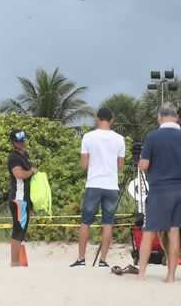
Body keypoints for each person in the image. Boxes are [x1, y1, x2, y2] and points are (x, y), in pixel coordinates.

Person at [137, 103, 181, 282]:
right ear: (176, 117)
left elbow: (145, 165)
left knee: (149, 232)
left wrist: (140, 162)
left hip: (159, 191)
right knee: (174, 232)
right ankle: (171, 276)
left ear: (159, 117)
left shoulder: (153, 136)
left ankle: (141, 274)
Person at [71, 107, 125, 268]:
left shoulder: (88, 137)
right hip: (111, 185)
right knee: (108, 222)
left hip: (94, 184)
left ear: (97, 118)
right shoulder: (119, 139)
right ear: (112, 119)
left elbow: (83, 164)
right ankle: (103, 260)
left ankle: (81, 259)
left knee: (86, 222)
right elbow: (120, 166)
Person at [8, 128, 36, 267]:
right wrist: (31, 171)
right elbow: (19, 174)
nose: (22, 143)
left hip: (25, 199)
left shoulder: (25, 155)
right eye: (19, 141)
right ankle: (14, 262)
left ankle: (17, 261)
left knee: (22, 230)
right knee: (18, 230)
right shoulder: (13, 157)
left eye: (23, 140)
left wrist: (30, 205)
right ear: (13, 142)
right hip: (18, 199)